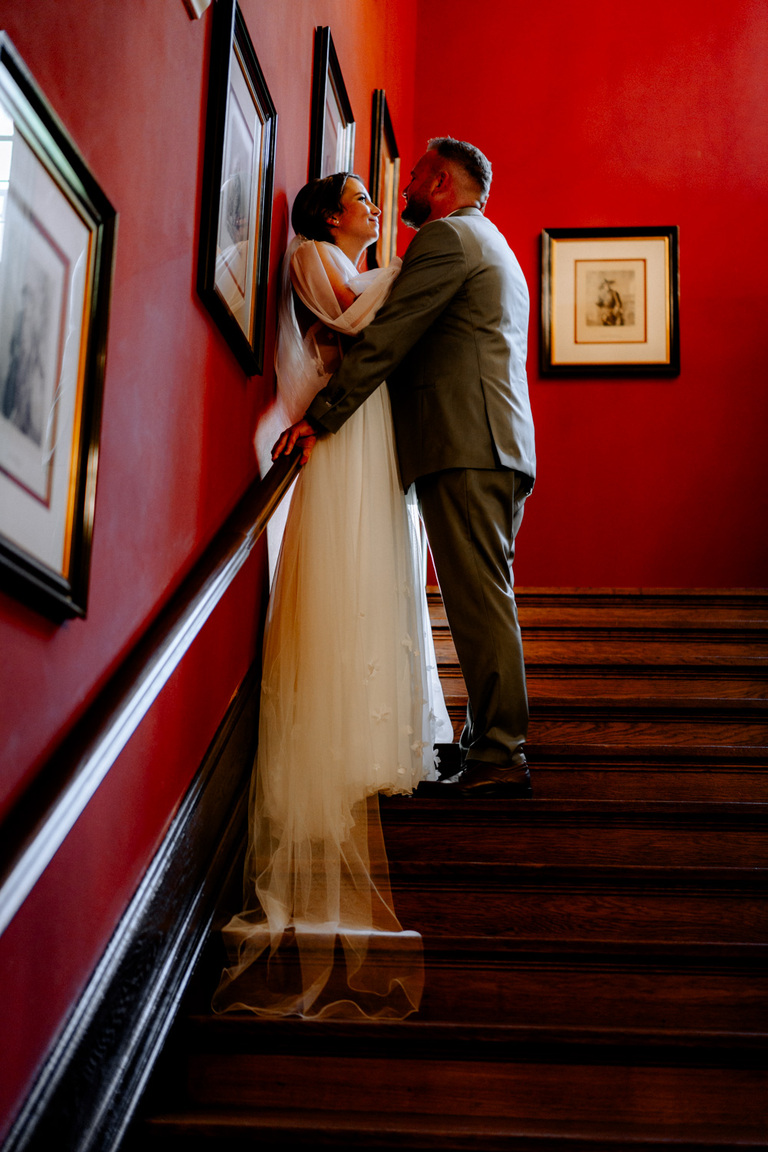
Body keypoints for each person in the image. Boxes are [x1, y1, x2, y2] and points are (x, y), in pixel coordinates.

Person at [213, 172, 452, 1021]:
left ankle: (372, 728)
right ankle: (335, 741)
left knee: (380, 577)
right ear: (327, 214)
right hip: (341, 438)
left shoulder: (353, 259)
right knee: (341, 582)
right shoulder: (314, 256)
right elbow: (355, 323)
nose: (376, 207)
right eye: (362, 197)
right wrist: (407, 275)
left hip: (370, 432)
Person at [275, 137, 536, 799]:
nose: (406, 191)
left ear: (443, 181)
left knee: (479, 599)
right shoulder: (493, 243)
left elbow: (390, 336)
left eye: (416, 176)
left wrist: (322, 415)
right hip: (490, 443)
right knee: (482, 594)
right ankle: (485, 743)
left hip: (466, 443)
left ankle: (500, 755)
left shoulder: (449, 240)